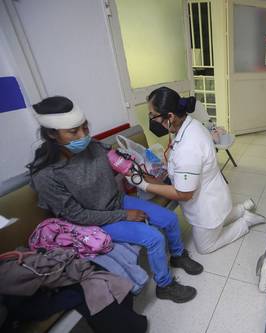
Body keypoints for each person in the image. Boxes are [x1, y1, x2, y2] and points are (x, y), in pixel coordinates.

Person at [28, 96, 203, 304]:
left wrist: (156, 180)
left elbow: (127, 166)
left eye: (85, 127)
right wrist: (124, 215)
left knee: (169, 219)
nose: (83, 135)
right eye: (74, 131)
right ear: (51, 134)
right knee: (154, 238)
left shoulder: (93, 146)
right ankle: (164, 285)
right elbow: (77, 215)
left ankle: (177, 255)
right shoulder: (47, 175)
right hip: (93, 221)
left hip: (117, 201)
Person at [129, 87, 266, 255]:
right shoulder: (189, 124)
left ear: (170, 116)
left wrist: (143, 185)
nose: (151, 120)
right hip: (214, 195)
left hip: (207, 206)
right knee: (218, 219)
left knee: (204, 248)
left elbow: (184, 194)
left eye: (153, 116)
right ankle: (242, 208)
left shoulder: (189, 146)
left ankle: (245, 221)